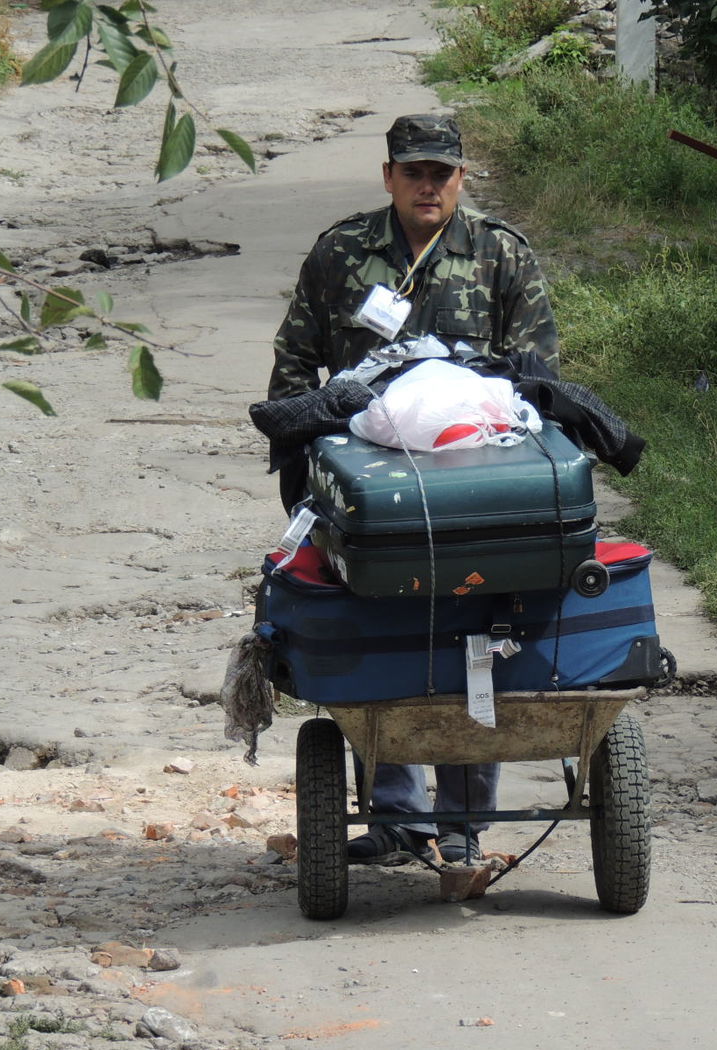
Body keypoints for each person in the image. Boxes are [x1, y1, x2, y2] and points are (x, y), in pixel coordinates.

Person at [266, 113, 562, 866]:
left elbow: (537, 375)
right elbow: (296, 364)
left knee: (475, 639)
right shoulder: (342, 252)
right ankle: (396, 816)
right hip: (374, 488)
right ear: (389, 176)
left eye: (442, 173)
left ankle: (463, 825)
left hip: (476, 482)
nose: (427, 186)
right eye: (414, 172)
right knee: (380, 636)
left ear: (461, 178)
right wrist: (303, 470)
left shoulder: (500, 254)